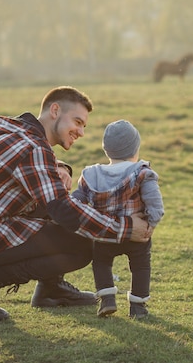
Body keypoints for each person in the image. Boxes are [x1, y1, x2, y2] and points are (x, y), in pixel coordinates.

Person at [0, 86, 152, 321]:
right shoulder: (33, 147)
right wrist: (125, 227)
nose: (81, 132)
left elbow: (33, 174)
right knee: (82, 245)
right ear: (55, 110)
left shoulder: (19, 131)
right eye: (77, 121)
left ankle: (51, 289)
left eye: (84, 126)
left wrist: (60, 167)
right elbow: (64, 211)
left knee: (58, 206)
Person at [71, 119, 164, 319]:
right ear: (135, 148)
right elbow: (155, 203)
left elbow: (76, 199)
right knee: (140, 266)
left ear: (107, 150)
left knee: (101, 263)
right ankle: (138, 307)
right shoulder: (142, 173)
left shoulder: (92, 174)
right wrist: (151, 224)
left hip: (106, 234)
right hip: (137, 235)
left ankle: (107, 300)